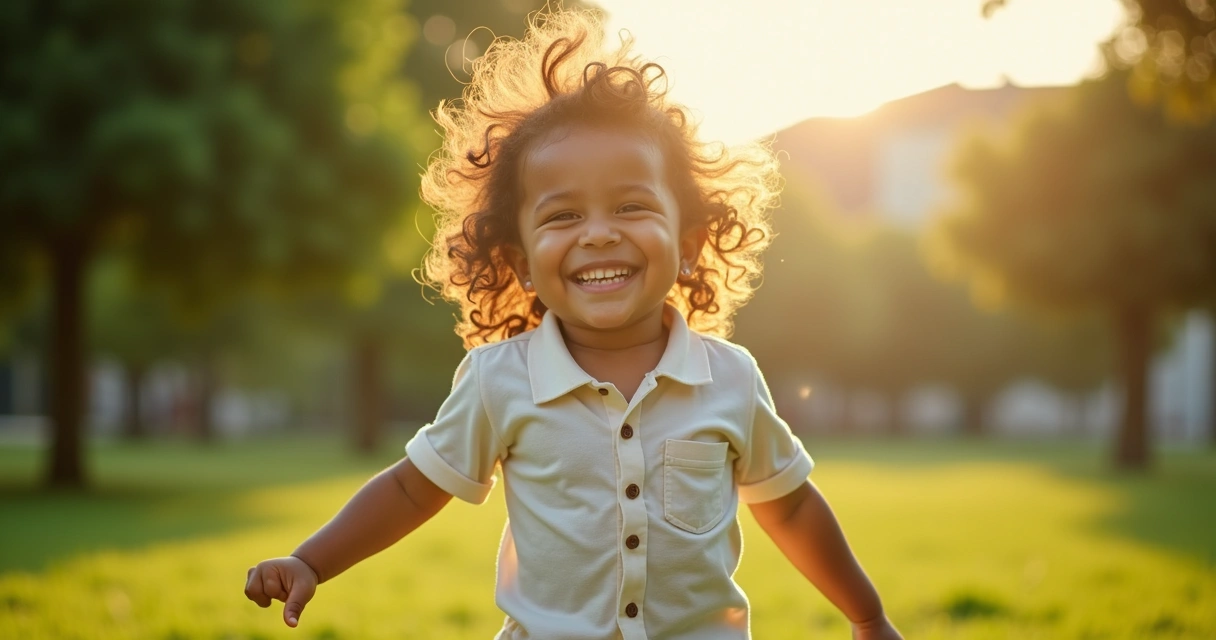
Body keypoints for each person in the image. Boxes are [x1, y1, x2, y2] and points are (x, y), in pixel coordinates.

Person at [244, 8, 902, 639]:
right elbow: (412, 489)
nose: (598, 235)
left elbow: (787, 503)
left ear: (692, 241)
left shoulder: (729, 377)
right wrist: (312, 560)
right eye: (562, 217)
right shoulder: (500, 380)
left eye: (630, 205)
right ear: (521, 262)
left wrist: (866, 616)